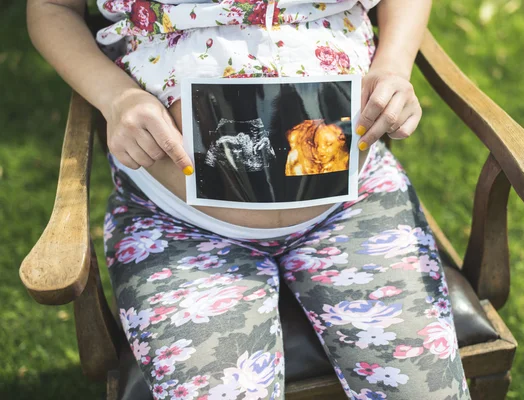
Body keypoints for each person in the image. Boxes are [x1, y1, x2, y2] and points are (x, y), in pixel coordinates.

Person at [27, 0, 471, 398]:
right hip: (174, 227)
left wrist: (394, 65)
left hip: (354, 206)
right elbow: (53, 7)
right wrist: (115, 97)